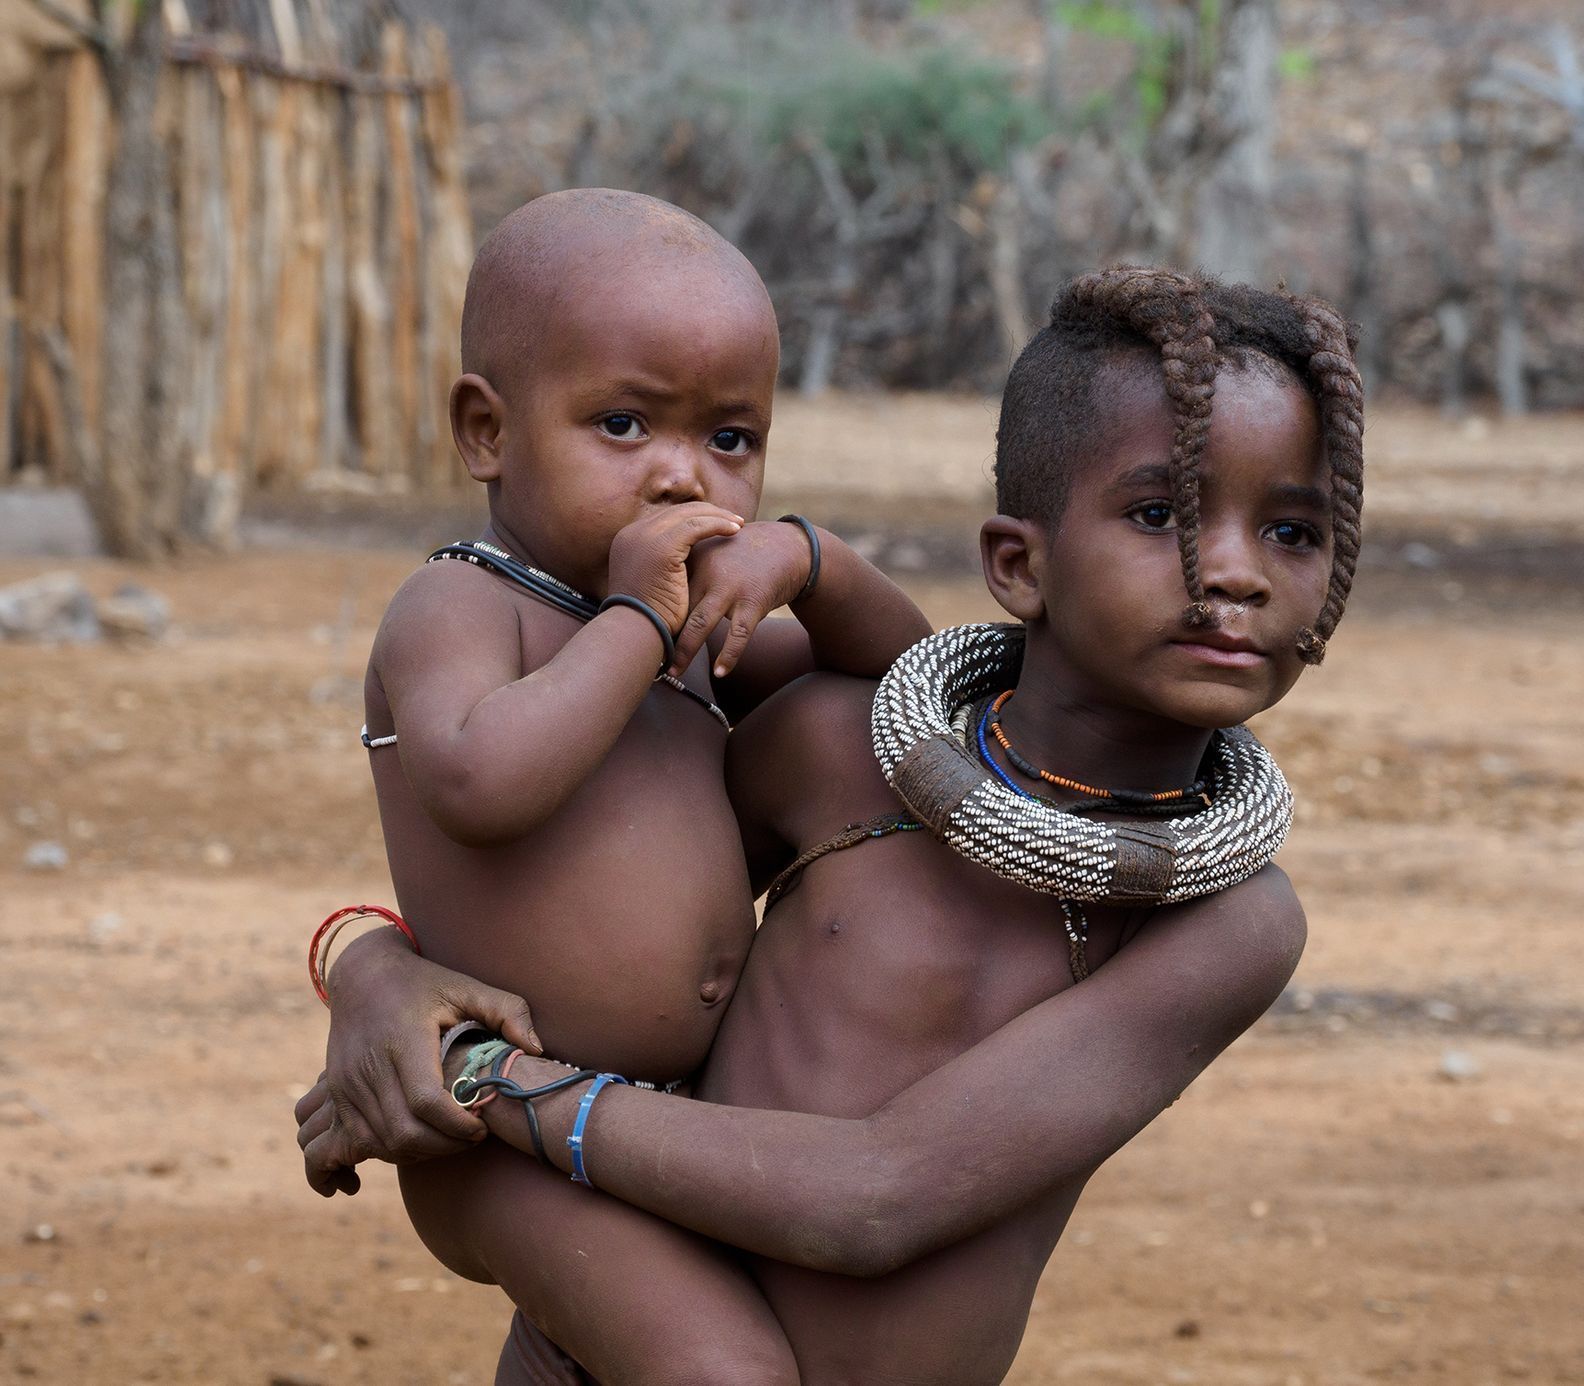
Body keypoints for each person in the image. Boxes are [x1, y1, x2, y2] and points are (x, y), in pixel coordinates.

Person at [299, 267, 1366, 1385]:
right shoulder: (833, 746)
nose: (1234, 573)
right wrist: (371, 966)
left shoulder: (1225, 921)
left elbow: (874, 1200)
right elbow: (579, 899)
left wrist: (482, 1076)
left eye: (1293, 532)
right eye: (1158, 516)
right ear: (1017, 564)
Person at [321, 185, 933, 1383]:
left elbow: (901, 697)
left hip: (674, 1114)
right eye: (621, 424)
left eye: (730, 440)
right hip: (497, 1129)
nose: (680, 478)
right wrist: (636, 624)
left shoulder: (697, 630)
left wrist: (812, 560)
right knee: (719, 1371)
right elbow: (479, 781)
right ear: (487, 432)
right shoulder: (461, 604)